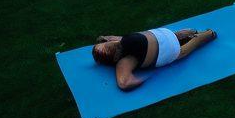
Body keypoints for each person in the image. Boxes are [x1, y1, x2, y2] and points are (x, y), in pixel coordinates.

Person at [90, 28, 218, 91]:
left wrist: (142, 79)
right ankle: (187, 33)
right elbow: (109, 38)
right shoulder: (122, 41)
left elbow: (124, 83)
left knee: (182, 51)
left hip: (168, 49)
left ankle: (204, 36)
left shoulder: (124, 61)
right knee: (175, 38)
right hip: (164, 34)